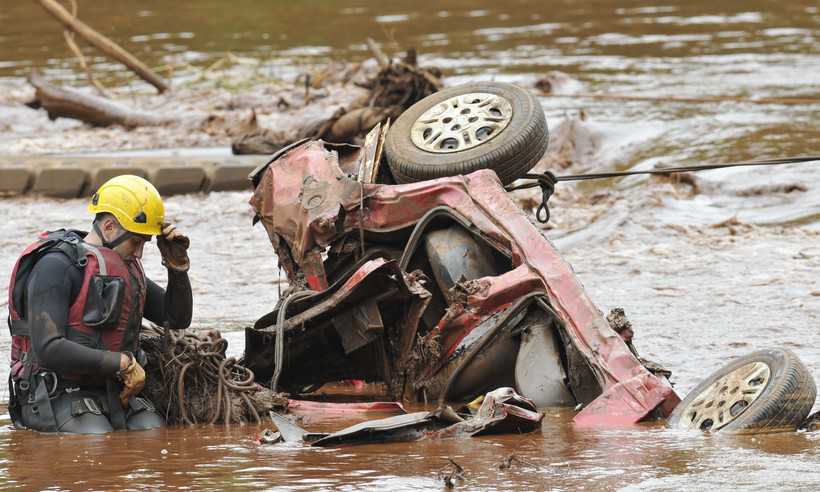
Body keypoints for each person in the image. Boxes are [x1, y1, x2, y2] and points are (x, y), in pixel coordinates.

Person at [6, 175, 193, 434]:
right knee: (97, 440)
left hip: (111, 390)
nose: (139, 253)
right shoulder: (56, 266)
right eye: (135, 242)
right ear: (109, 227)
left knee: (154, 433)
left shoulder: (125, 268)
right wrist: (123, 363)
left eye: (144, 243)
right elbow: (49, 348)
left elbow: (176, 319)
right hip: (53, 393)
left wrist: (177, 268)